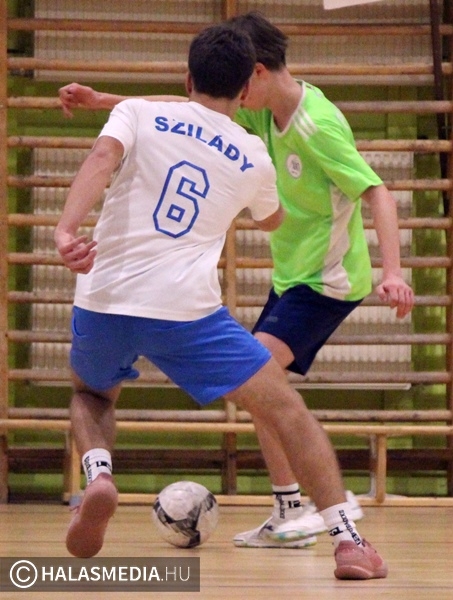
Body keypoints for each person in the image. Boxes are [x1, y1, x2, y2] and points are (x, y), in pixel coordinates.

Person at [55, 22, 388, 580]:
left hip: (103, 296)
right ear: (245, 88)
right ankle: (349, 542)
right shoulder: (253, 154)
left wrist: (67, 231)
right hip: (186, 313)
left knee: (92, 395)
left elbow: (101, 160)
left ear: (188, 79)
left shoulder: (137, 111)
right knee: (285, 411)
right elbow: (273, 219)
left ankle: (99, 475)